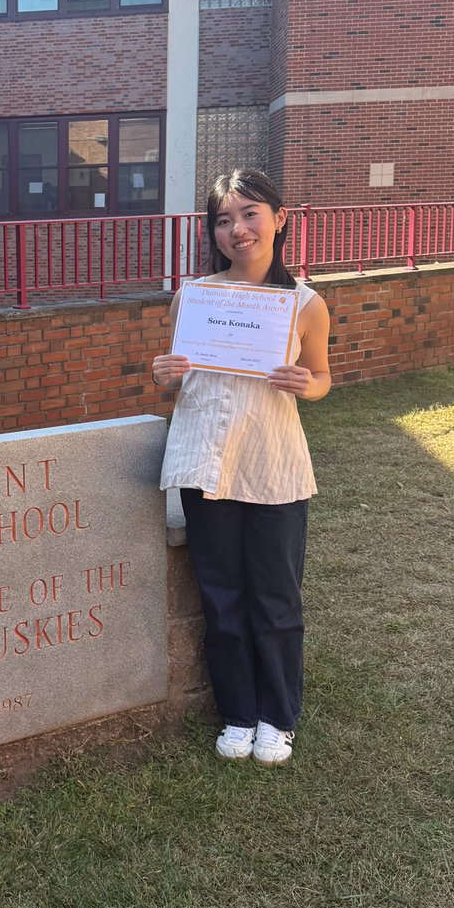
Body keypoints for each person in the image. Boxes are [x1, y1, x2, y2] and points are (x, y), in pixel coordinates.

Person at [151, 168, 331, 767]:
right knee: (221, 596)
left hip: (273, 467)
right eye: (224, 220)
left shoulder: (303, 305)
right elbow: (179, 390)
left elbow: (323, 377)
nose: (237, 229)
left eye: (250, 214)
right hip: (208, 464)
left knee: (275, 598)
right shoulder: (194, 298)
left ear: (280, 218)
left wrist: (308, 384)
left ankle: (278, 716)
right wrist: (164, 379)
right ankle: (238, 713)